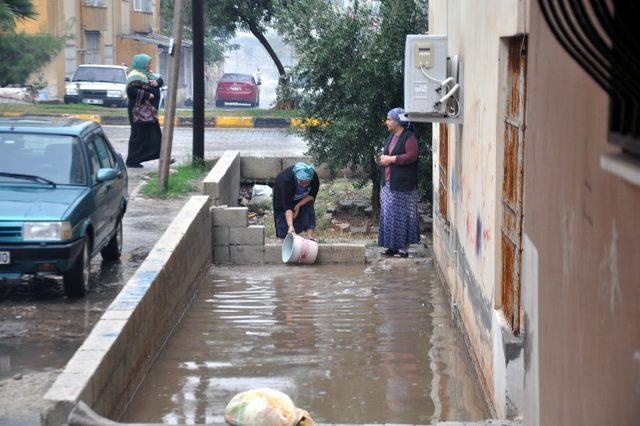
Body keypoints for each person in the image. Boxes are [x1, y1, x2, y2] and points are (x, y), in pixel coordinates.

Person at [377, 107, 420, 258]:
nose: (387, 122)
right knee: (388, 214)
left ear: (397, 121)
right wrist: (383, 158)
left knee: (402, 215)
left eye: (389, 119)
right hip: (388, 183)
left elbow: (412, 156)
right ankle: (392, 246)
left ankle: (403, 248)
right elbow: (387, 154)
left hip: (403, 185)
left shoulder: (409, 137)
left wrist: (392, 159)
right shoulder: (391, 137)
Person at [125, 54, 163, 168]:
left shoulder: (147, 74)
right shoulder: (134, 76)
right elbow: (131, 91)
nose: (149, 65)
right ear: (141, 64)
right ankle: (132, 160)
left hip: (148, 111)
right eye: (147, 63)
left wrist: (157, 83)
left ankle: (161, 156)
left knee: (153, 134)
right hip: (138, 112)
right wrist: (148, 95)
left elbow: (159, 79)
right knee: (138, 135)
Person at [273, 162, 320, 239]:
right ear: (296, 178)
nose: (304, 185)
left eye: (306, 183)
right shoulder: (286, 180)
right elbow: (287, 206)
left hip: (303, 196)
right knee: (284, 224)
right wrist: (290, 226)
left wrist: (299, 205)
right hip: (283, 195)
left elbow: (312, 195)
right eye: (301, 183)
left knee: (308, 206)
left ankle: (309, 236)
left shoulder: (313, 177)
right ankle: (286, 238)